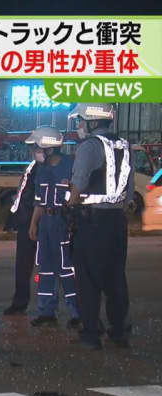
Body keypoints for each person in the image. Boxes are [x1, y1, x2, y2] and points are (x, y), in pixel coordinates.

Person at [67, 103, 134, 350]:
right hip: (117, 222)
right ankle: (119, 332)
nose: (79, 126)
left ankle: (91, 334)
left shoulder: (89, 147)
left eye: (81, 121)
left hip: (92, 221)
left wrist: (71, 204)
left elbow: (79, 183)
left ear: (93, 122)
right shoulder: (125, 146)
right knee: (116, 278)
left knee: (88, 279)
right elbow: (129, 190)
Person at [27, 126, 80, 328]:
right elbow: (39, 202)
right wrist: (34, 223)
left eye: (36, 147)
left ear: (47, 147)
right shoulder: (41, 170)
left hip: (63, 223)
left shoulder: (70, 166)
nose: (35, 152)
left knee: (67, 268)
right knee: (46, 269)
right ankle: (47, 311)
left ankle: (76, 312)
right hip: (46, 224)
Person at [3, 149, 40, 316]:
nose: (35, 150)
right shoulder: (33, 167)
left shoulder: (45, 169)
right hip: (26, 221)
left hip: (40, 222)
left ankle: (51, 310)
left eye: (37, 147)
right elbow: (21, 196)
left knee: (52, 267)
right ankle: (20, 302)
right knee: (23, 265)